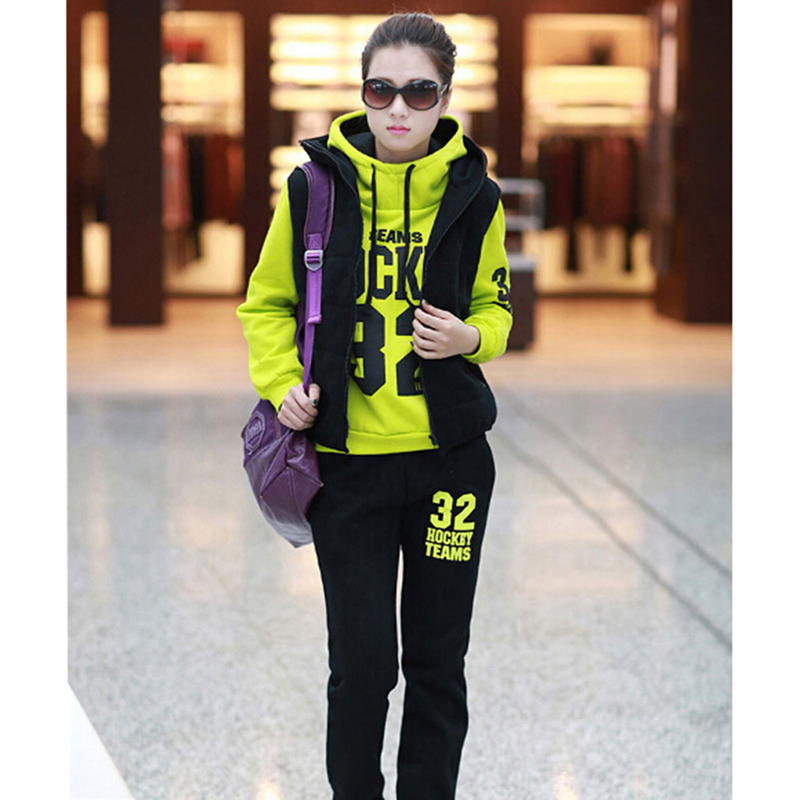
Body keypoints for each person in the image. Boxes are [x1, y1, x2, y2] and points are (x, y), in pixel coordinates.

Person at [237, 12, 513, 800]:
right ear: (362, 93)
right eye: (380, 89)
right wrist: (281, 384)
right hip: (347, 470)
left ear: (445, 99)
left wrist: (469, 337)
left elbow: (496, 309)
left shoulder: (476, 195)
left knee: (437, 662)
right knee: (361, 666)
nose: (398, 108)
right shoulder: (313, 188)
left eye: (419, 92)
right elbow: (266, 304)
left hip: (450, 467)